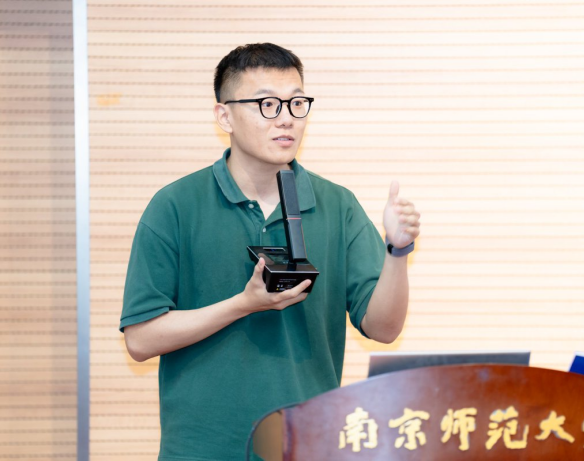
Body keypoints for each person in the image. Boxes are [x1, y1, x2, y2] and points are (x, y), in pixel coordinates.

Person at [119, 43, 420, 460]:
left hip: (306, 447)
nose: (286, 119)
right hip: (201, 450)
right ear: (224, 116)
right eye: (267, 104)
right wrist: (243, 304)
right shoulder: (175, 205)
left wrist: (396, 252)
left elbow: (384, 328)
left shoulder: (338, 205)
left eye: (297, 103)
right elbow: (140, 339)